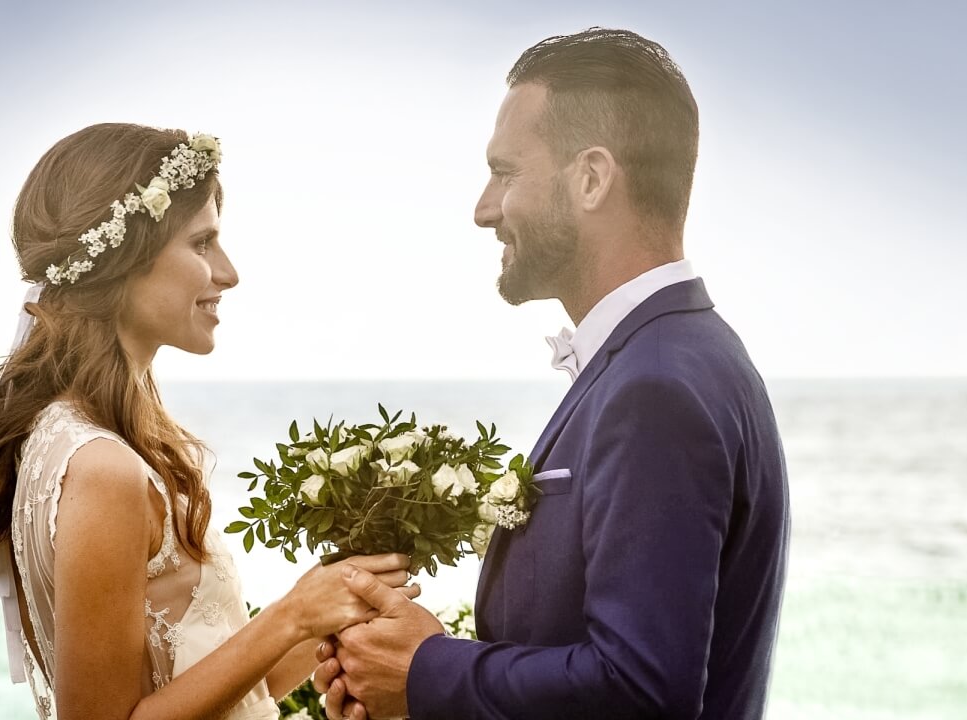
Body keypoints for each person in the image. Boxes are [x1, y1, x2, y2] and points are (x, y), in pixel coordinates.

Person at [316, 28, 791, 720]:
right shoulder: (681, 354)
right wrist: (398, 678)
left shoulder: (657, 387)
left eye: (505, 173)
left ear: (591, 178)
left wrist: (427, 671)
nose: (484, 209)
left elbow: (641, 691)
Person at [0, 123, 418, 720]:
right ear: (124, 260)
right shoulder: (101, 467)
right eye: (202, 243)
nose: (228, 272)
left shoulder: (80, 441)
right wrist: (293, 613)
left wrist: (326, 604)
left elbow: (204, 682)